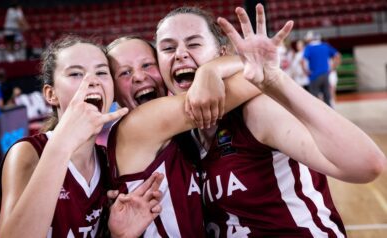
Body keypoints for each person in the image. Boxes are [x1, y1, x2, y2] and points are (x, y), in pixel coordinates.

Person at [155, 4, 386, 237]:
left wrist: (275, 81)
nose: (180, 54)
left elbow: (367, 165)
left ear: (221, 53)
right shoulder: (177, 135)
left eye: (194, 43)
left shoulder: (256, 110)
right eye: (167, 48)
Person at [0, 35, 164, 238]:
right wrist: (64, 143)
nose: (92, 81)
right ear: (50, 94)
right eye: (75, 74)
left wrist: (119, 235)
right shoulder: (28, 152)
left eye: (101, 72)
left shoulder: (108, 159)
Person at [106, 35, 260, 237]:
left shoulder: (184, 135)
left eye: (147, 65)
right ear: (113, 90)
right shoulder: (138, 124)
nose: (139, 77)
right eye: (124, 72)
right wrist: (210, 70)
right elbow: (258, 77)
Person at [301, 30, 341, 106]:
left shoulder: (309, 48)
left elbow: (302, 61)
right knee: (327, 98)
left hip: (314, 76)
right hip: (325, 75)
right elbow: (337, 55)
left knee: (315, 99)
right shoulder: (325, 46)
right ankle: (330, 115)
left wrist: (306, 71)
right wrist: (333, 68)